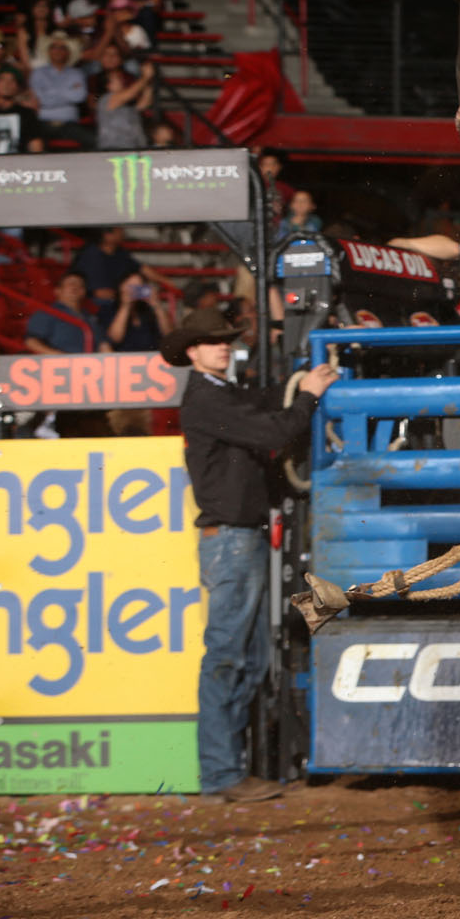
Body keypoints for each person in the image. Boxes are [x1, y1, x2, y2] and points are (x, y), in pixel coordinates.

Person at [163, 307, 338, 801]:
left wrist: (298, 386)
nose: (223, 346)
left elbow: (263, 409)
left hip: (238, 539)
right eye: (212, 341)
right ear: (193, 351)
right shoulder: (207, 398)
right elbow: (273, 431)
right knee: (230, 654)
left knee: (245, 654)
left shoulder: (219, 394)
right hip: (234, 540)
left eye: (225, 340)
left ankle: (227, 771)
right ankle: (221, 773)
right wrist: (307, 394)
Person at [30, 32, 91, 147]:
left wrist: (50, 92)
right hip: (43, 123)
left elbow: (80, 96)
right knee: (32, 143)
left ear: (68, 52)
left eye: (62, 48)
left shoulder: (77, 73)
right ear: (48, 51)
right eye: (54, 47)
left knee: (94, 141)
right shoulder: (38, 73)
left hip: (69, 124)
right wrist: (68, 91)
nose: (57, 51)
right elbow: (40, 100)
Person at [25, 271, 103, 354]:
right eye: (70, 284)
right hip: (59, 361)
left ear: (84, 292)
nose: (75, 287)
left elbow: (103, 344)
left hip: (91, 360)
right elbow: (31, 342)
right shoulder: (46, 313)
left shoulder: (90, 317)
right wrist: (62, 358)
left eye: (80, 285)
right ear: (57, 290)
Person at [94, 61, 152, 149]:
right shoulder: (106, 100)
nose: (121, 80)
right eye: (117, 78)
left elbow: (144, 104)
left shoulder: (124, 104)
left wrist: (149, 81)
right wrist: (145, 77)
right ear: (108, 85)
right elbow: (131, 93)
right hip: (113, 148)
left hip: (132, 148)